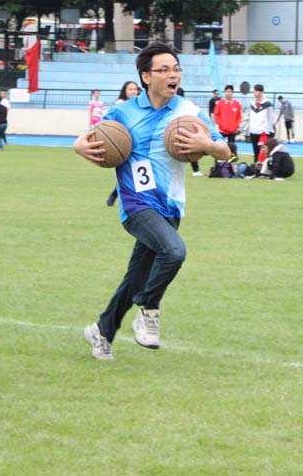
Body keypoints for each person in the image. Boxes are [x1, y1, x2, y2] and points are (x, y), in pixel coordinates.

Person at [74, 42, 231, 361]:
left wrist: (208, 145)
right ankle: (149, 310)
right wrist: (79, 146)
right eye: (165, 69)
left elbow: (226, 151)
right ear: (146, 76)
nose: (173, 75)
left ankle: (102, 331)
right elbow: (91, 137)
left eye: (177, 69)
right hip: (136, 205)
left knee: (135, 278)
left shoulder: (189, 112)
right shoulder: (124, 112)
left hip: (170, 205)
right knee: (174, 251)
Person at [106, 81, 142, 207]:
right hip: (123, 143)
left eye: (135, 89)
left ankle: (116, 196)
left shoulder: (140, 105)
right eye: (130, 89)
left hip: (138, 143)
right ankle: (115, 195)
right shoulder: (120, 104)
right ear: (125, 91)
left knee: (137, 172)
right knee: (129, 172)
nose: (133, 91)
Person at [247, 84, 275, 160]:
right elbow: (250, 117)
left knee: (264, 153)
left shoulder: (268, 103)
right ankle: (256, 167)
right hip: (253, 132)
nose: (253, 92)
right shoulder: (252, 103)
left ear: (260, 92)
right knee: (255, 153)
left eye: (255, 91)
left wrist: (268, 131)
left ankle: (265, 167)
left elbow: (271, 118)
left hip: (263, 133)